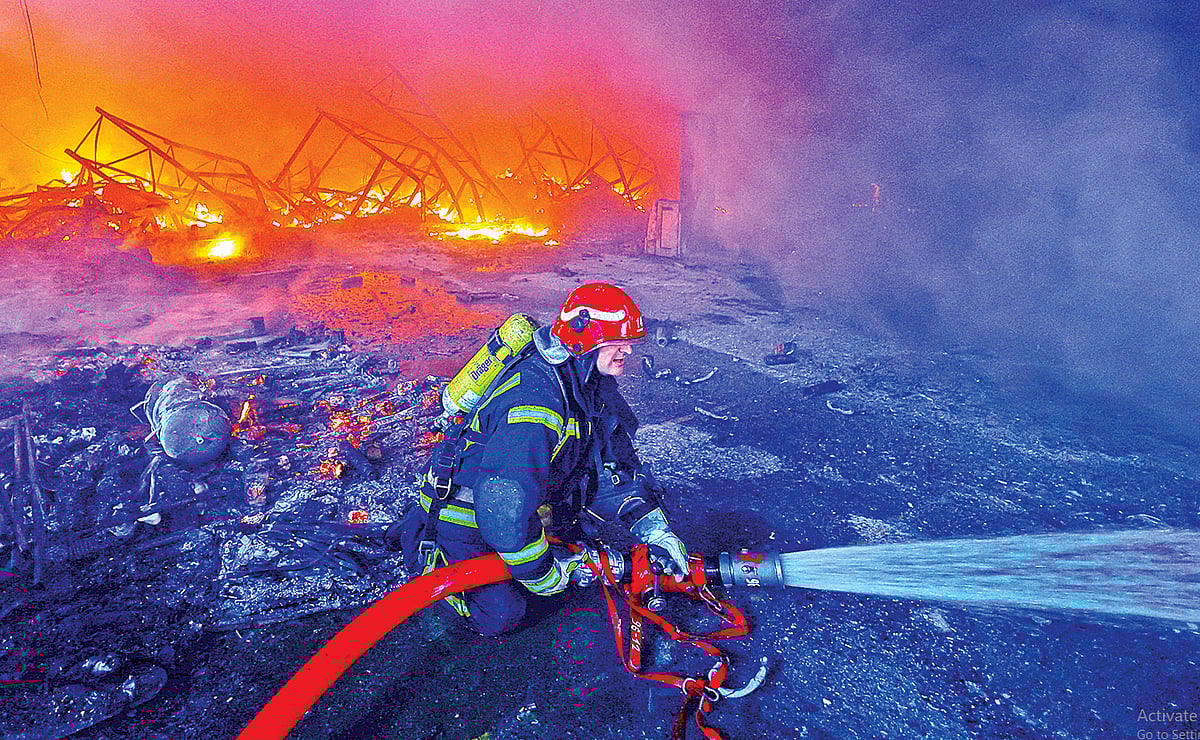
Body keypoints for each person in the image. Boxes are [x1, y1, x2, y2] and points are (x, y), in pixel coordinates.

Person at [403, 282, 691, 635]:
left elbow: (613, 467)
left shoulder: (589, 386)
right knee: (504, 613)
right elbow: (502, 508)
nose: (628, 350)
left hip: (519, 502)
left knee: (558, 569)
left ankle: (528, 554)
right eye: (618, 341)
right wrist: (544, 574)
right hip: (466, 516)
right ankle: (427, 556)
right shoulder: (535, 401)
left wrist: (654, 529)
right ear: (586, 340)